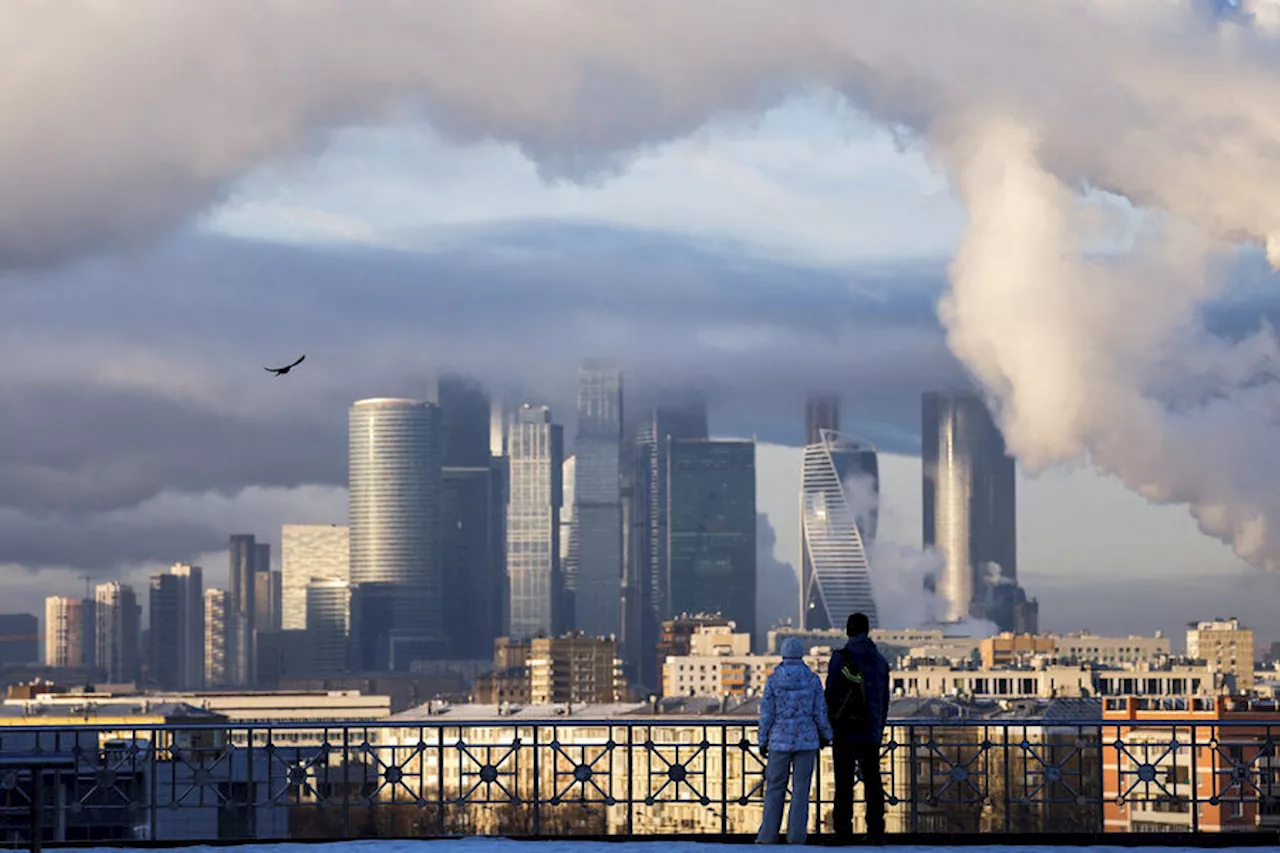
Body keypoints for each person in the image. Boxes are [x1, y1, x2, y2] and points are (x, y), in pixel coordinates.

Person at [756, 636, 833, 845]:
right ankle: (796, 836)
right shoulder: (812, 679)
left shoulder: (773, 679)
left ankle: (767, 836)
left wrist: (762, 740)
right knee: (801, 790)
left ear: (782, 654)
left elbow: (766, 714)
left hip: (779, 740)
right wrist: (827, 735)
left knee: (774, 787)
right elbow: (820, 712)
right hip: (807, 741)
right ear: (801, 655)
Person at [825, 612, 891, 844]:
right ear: (867, 631)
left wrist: (828, 725)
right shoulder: (880, 661)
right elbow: (884, 700)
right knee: (873, 781)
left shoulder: (841, 658)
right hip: (871, 730)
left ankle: (843, 830)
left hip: (844, 730)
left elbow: (831, 694)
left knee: (843, 782)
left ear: (848, 630)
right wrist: (878, 728)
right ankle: (876, 830)